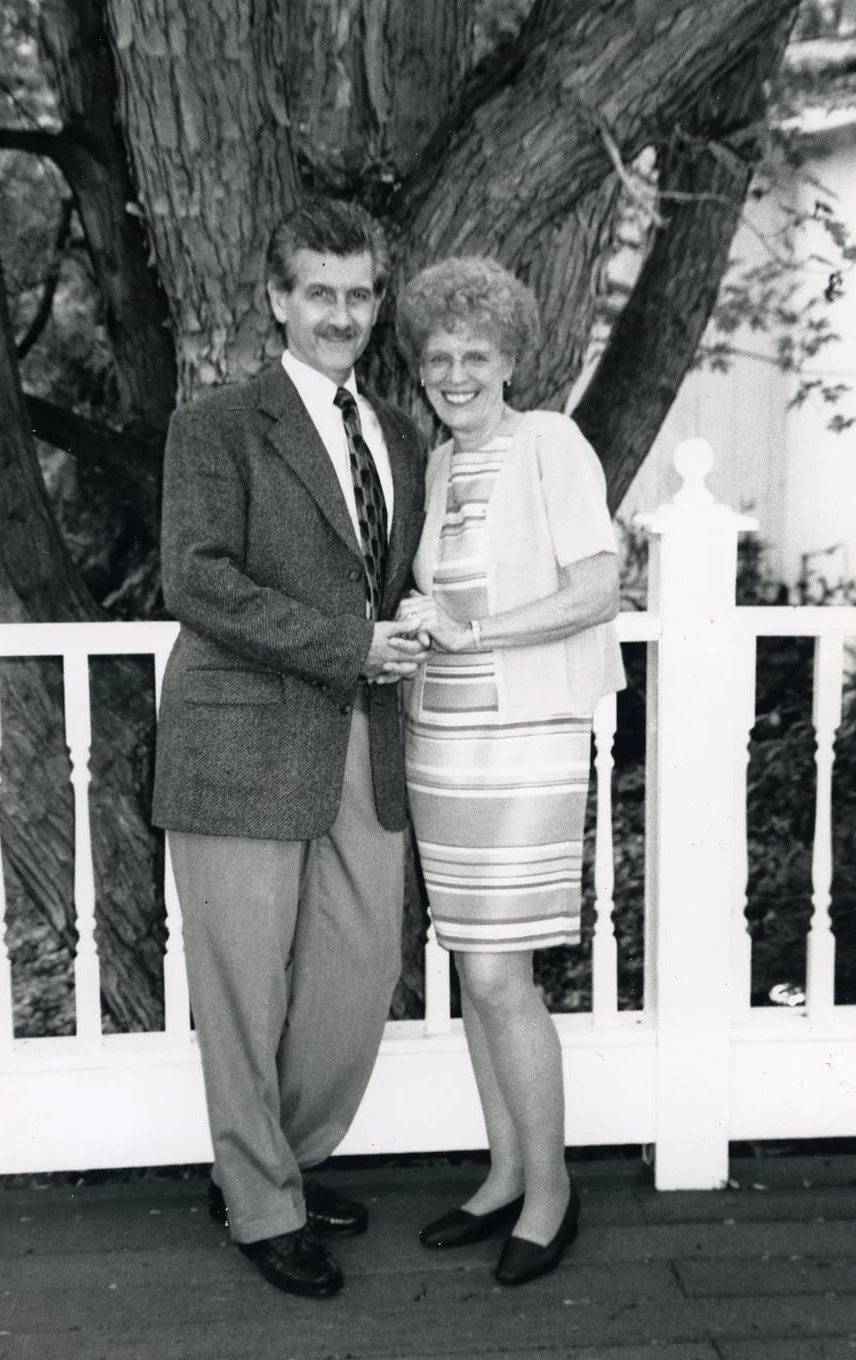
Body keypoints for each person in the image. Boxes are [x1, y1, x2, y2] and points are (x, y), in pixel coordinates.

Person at [152, 199, 428, 1299]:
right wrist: (349, 645)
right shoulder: (216, 426)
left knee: (358, 976)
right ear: (277, 299)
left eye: (359, 295)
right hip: (240, 735)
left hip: (366, 737)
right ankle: (262, 1201)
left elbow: (387, 578)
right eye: (319, 293)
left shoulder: (398, 435)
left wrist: (412, 624)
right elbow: (197, 578)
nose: (341, 315)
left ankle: (281, 1161)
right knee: (242, 991)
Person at [394, 256, 625, 1287]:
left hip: (525, 736)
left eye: (474, 354)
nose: (455, 373)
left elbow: (597, 588)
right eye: (438, 356)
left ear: (509, 360)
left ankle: (550, 1193)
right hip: (441, 741)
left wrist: (473, 632)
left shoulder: (550, 444)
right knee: (472, 969)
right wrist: (420, 631)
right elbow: (439, 600)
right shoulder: (440, 465)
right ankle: (501, 1176)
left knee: (499, 974)